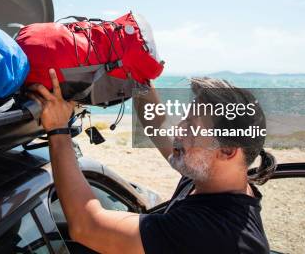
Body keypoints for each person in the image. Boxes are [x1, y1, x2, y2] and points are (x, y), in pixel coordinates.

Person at [27, 70, 277, 254]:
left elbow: (87, 226)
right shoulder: (211, 177)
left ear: (228, 151)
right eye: (184, 120)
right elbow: (157, 124)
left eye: (191, 127)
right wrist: (140, 74)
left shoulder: (213, 233)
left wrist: (59, 130)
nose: (179, 130)